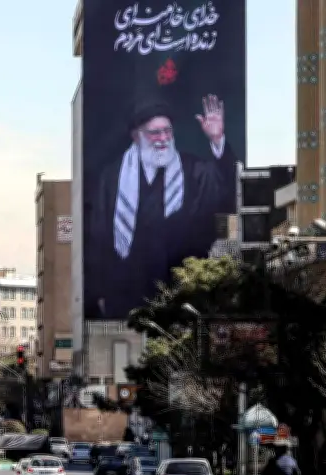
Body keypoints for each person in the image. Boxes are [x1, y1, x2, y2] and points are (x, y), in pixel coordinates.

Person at [85, 95, 238, 318]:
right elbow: (98, 237)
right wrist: (99, 293)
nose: (163, 138)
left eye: (167, 131)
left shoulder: (194, 171)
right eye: (155, 133)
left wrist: (217, 139)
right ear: (136, 136)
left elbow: (227, 189)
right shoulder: (112, 178)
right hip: (126, 295)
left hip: (182, 294)